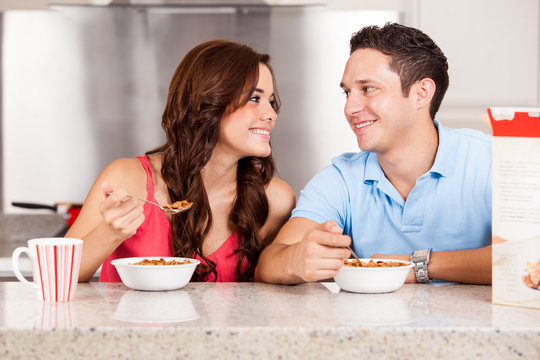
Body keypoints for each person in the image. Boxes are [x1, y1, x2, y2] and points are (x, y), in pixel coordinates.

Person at [254, 23, 492, 285]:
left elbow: (526, 258)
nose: (349, 108)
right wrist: (297, 260)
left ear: (421, 93)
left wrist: (413, 265)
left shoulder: (492, 160)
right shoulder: (342, 178)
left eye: (368, 89)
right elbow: (268, 264)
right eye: (347, 92)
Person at [67, 39, 296, 282]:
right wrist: (109, 233)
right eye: (254, 98)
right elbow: (59, 274)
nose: (271, 115)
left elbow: (270, 295)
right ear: (208, 101)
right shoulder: (128, 179)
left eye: (271, 101)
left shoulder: (275, 200)